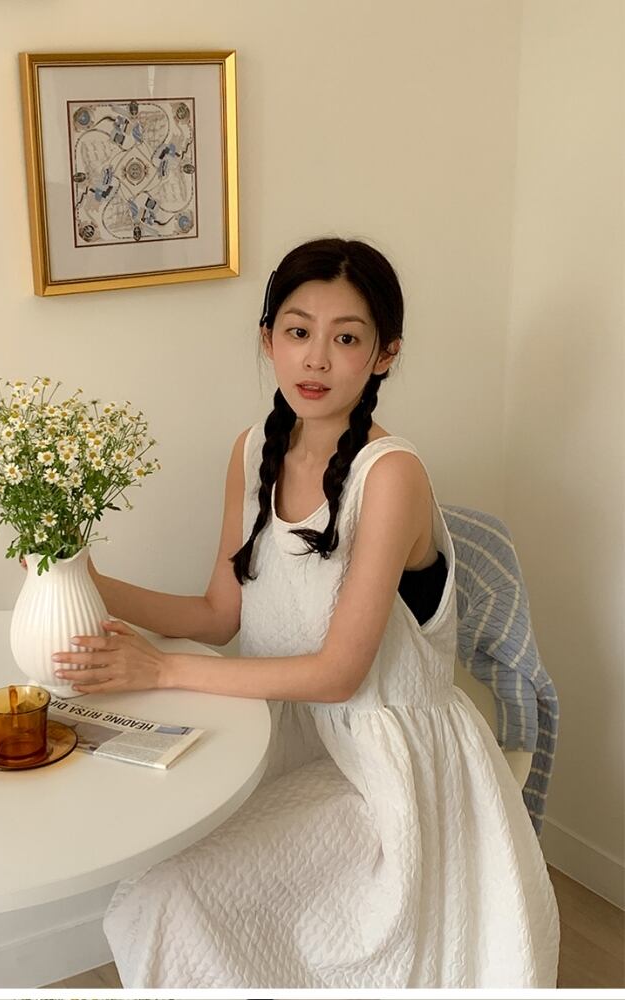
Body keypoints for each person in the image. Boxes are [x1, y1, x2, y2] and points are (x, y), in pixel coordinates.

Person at [51, 238, 560, 988]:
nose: (316, 359)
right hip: (284, 738)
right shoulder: (251, 451)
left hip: (388, 774)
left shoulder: (392, 476)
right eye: (298, 331)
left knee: (169, 898)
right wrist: (82, 579)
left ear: (384, 355)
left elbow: (337, 674)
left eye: (346, 339)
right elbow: (220, 613)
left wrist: (159, 668)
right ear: (269, 340)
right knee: (157, 879)